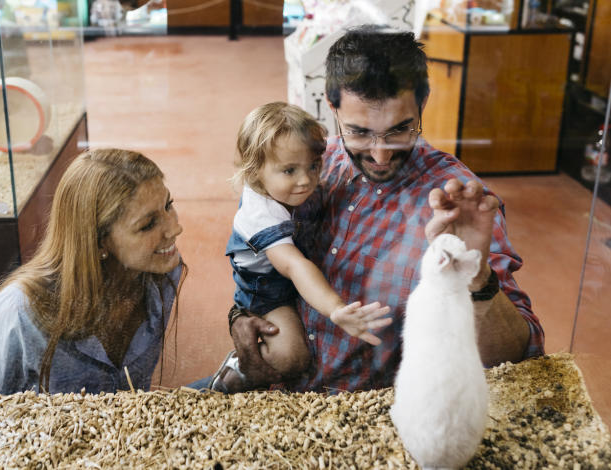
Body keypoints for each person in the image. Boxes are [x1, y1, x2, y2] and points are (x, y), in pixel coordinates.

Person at [227, 26, 545, 392]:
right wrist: (242, 315)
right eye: (359, 132)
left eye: (399, 131)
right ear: (332, 108)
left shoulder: (458, 204)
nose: (379, 155)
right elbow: (256, 254)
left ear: (421, 105)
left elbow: (519, 357)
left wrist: (474, 276)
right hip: (280, 388)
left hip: (369, 418)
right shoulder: (312, 161)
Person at [0, 148, 186, 396]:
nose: (175, 228)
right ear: (97, 242)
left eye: (168, 205)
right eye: (147, 224)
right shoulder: (18, 311)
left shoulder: (161, 276)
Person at [209, 102, 392, 392]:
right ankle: (237, 372)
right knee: (292, 355)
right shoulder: (261, 215)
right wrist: (335, 309)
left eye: (313, 166)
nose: (305, 180)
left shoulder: (284, 187)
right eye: (289, 170)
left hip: (289, 277)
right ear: (255, 172)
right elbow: (293, 265)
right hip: (267, 292)